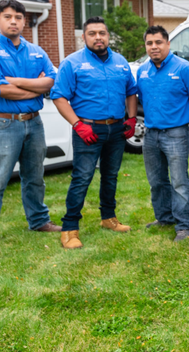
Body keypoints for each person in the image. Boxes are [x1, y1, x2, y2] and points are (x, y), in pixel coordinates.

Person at [0, 0, 61, 253]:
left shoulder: (36, 51)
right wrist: (35, 88)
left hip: (34, 124)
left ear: (24, 21)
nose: (13, 21)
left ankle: (39, 221)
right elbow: (0, 89)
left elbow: (52, 80)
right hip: (2, 124)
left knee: (35, 177)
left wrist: (17, 82)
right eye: (8, 16)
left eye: (18, 17)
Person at [50, 16, 138, 249]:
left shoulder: (120, 62)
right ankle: (69, 228)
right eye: (92, 33)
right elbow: (58, 96)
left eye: (102, 33)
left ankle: (108, 218)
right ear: (84, 37)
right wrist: (78, 124)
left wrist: (130, 118)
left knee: (110, 175)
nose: (98, 37)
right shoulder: (72, 63)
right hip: (88, 128)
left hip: (117, 129)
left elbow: (131, 91)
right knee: (82, 178)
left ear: (108, 36)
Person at [137, 25, 189, 242]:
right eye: (149, 43)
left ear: (168, 43)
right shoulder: (142, 71)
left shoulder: (184, 68)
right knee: (156, 180)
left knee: (178, 180)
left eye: (158, 42)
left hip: (175, 133)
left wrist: (182, 117)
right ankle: (164, 217)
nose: (154, 47)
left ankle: (185, 225)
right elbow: (141, 99)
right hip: (150, 134)